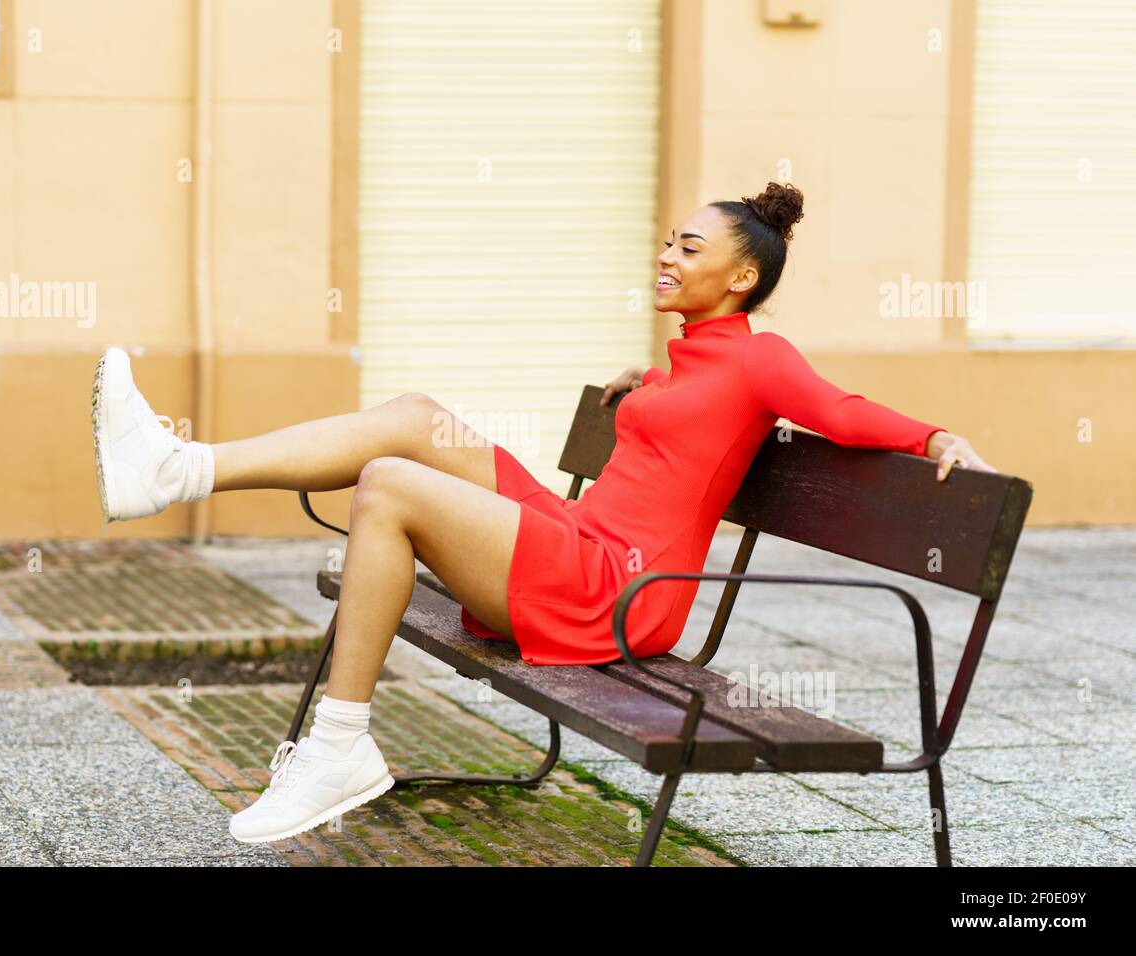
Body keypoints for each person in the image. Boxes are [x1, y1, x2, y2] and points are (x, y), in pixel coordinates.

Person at [90, 181, 994, 845]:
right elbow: (691, 421)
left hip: (620, 589)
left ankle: (341, 746)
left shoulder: (764, 358)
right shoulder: (691, 357)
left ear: (743, 272)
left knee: (390, 485)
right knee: (414, 417)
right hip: (583, 543)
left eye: (688, 246)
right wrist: (646, 386)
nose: (667, 256)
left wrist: (936, 436)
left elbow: (836, 409)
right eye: (668, 243)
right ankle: (174, 467)